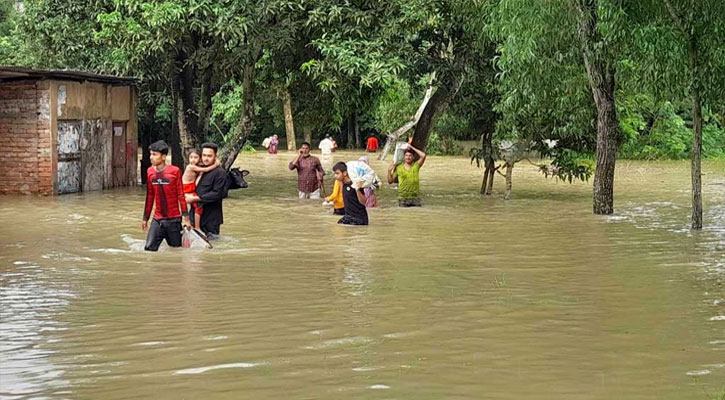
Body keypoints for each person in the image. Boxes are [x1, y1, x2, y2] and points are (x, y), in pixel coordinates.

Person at [142, 140, 190, 251]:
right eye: (150, 154)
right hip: (157, 219)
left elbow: (181, 195)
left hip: (173, 220)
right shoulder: (150, 172)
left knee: (176, 250)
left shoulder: (175, 171)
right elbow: (150, 196)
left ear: (163, 157)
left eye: (154, 154)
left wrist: (186, 218)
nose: (151, 157)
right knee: (149, 248)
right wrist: (145, 218)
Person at [185, 142, 228, 237]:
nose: (206, 158)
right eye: (204, 155)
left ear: (215, 156)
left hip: (210, 220)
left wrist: (196, 198)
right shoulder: (198, 169)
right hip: (193, 217)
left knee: (212, 248)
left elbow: (219, 194)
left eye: (209, 156)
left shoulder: (220, 173)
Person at [182, 149, 220, 232]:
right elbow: (206, 170)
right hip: (187, 188)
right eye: (191, 157)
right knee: (198, 206)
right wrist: (216, 164)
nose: (193, 159)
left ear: (199, 159)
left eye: (195, 157)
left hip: (190, 187)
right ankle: (197, 227)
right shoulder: (190, 166)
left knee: (195, 206)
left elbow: (203, 166)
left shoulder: (197, 166)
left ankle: (190, 223)